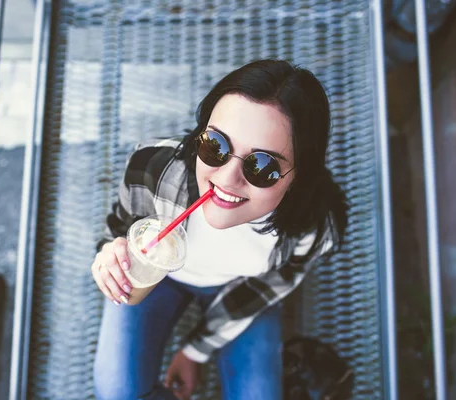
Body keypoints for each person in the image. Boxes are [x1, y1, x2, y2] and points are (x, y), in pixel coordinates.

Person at [90, 59, 348, 400]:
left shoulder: (314, 228)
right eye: (216, 146)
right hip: (161, 276)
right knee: (116, 393)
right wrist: (109, 255)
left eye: (263, 166)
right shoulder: (153, 167)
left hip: (241, 290)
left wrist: (196, 349)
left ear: (299, 175)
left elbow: (271, 284)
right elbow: (121, 227)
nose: (226, 179)